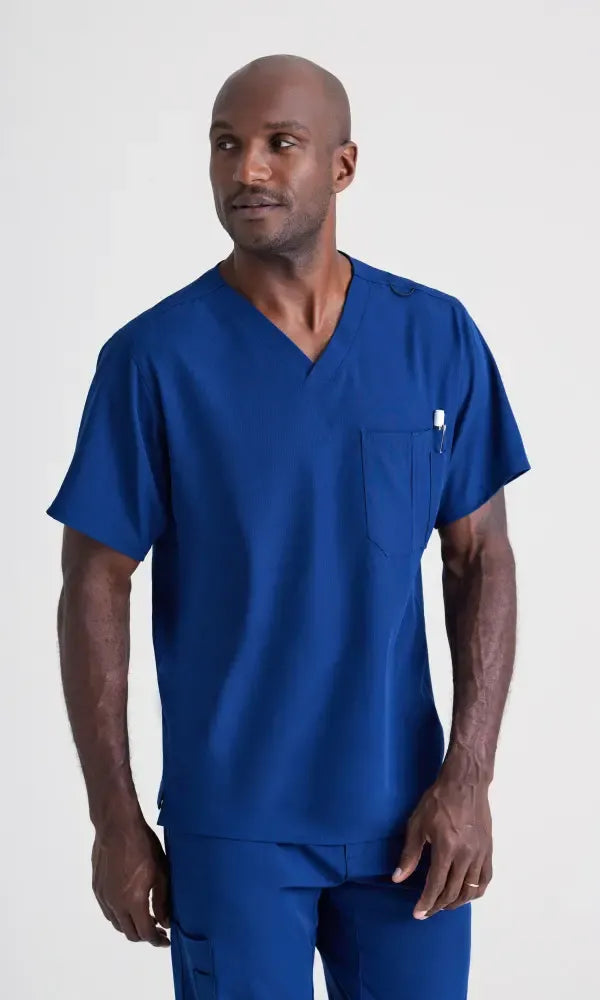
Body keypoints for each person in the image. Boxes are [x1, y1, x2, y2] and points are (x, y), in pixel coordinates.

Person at [46, 52, 531, 1000]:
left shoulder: (435, 338)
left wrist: (469, 776)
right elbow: (95, 581)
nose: (248, 169)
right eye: (226, 145)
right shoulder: (153, 359)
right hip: (232, 827)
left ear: (342, 166)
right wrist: (113, 817)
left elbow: (481, 558)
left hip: (411, 822)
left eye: (280, 143)